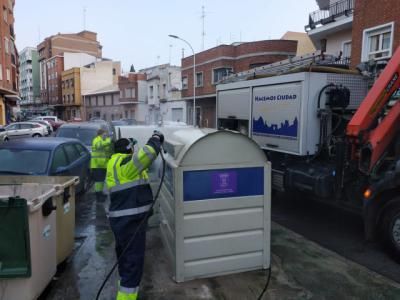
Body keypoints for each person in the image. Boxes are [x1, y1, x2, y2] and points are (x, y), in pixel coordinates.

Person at [106, 132, 164, 300]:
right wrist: (155, 138)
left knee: (124, 257)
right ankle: (125, 296)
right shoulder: (124, 163)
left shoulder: (113, 163)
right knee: (133, 261)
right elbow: (147, 154)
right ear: (127, 151)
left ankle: (123, 287)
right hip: (130, 222)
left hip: (120, 221)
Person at [90, 128, 113, 199]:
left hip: (103, 165)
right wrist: (109, 141)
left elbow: (108, 150)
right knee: (98, 181)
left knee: (101, 180)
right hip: (97, 165)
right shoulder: (96, 140)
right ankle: (98, 195)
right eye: (104, 134)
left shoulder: (104, 140)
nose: (106, 135)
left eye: (106, 134)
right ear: (100, 134)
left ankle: (100, 193)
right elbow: (99, 145)